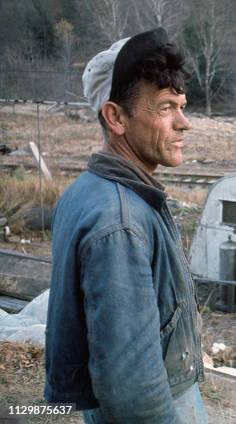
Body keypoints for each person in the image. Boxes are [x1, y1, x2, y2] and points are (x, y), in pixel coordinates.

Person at [44, 27, 208, 423]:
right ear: (115, 117)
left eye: (182, 106)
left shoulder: (90, 190)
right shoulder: (121, 221)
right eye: (166, 107)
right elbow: (130, 386)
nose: (184, 123)